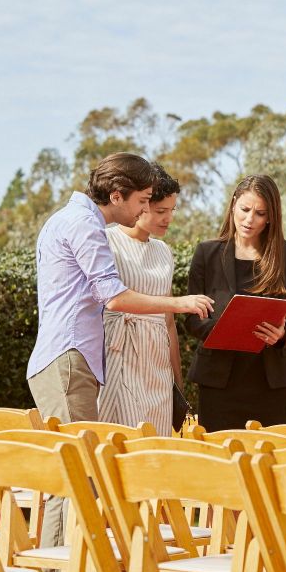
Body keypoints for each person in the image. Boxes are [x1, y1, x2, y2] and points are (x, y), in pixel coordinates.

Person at [28, 152, 212, 549]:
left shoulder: (70, 218)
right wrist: (179, 303)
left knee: (75, 474)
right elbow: (113, 297)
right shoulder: (84, 225)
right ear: (116, 196)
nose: (148, 209)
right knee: (77, 475)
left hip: (70, 359)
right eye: (143, 200)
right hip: (68, 358)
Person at [184, 174, 286, 431]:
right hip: (219, 380)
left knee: (270, 459)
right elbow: (191, 318)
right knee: (219, 460)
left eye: (260, 213)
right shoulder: (206, 254)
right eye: (245, 209)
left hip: (271, 380)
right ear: (233, 206)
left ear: (271, 216)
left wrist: (283, 334)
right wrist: (226, 331)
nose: (250, 219)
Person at [99, 162, 184, 435]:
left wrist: (177, 381)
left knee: (159, 447)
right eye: (161, 211)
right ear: (143, 204)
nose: (168, 219)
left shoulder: (164, 252)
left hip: (157, 365)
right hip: (118, 355)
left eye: (172, 211)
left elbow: (168, 321)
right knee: (125, 441)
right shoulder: (106, 241)